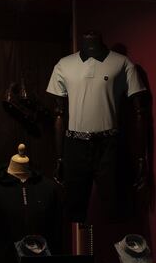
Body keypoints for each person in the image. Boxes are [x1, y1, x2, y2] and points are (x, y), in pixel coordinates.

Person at [47, 31, 149, 223]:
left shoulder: (122, 63)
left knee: (116, 208)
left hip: (109, 144)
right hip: (75, 144)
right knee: (74, 210)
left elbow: (140, 111)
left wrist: (141, 157)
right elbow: (58, 113)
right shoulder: (64, 64)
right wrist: (60, 157)